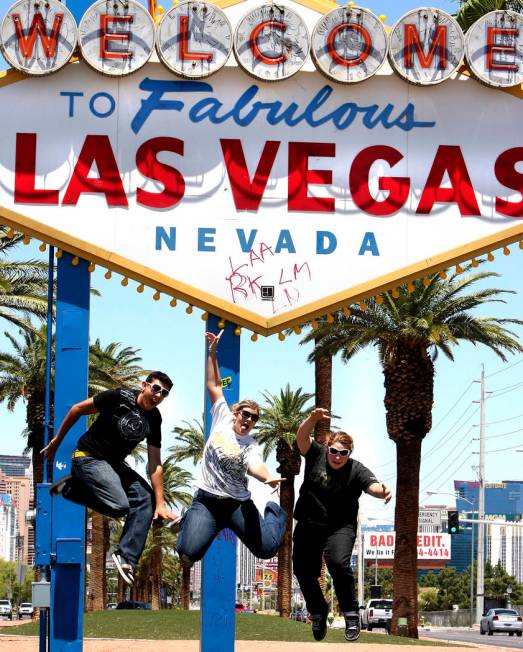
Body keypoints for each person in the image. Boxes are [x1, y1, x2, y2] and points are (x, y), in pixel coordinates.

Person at [41, 372, 178, 586]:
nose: (158, 396)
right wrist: (57, 441)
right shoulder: (119, 397)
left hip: (113, 464)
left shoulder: (154, 418)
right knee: (120, 506)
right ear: (144, 386)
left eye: (164, 394)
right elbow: (77, 409)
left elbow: (155, 464)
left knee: (145, 499)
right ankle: (71, 488)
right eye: (156, 389)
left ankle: (127, 560)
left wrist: (160, 504)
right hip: (88, 458)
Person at [176, 331, 287, 566]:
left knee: (267, 550)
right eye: (245, 414)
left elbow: (254, 465)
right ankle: (189, 520)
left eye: (254, 418)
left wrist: (268, 479)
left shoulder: (251, 444)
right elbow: (213, 384)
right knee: (187, 555)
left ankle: (274, 510)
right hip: (207, 501)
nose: (248, 420)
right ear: (237, 413)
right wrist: (212, 351)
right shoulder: (222, 417)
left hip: (238, 504)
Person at [293, 408, 392, 642]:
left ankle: (350, 614)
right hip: (309, 524)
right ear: (328, 447)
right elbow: (300, 438)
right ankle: (318, 610)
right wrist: (313, 419)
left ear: (350, 453)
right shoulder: (316, 454)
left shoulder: (356, 470)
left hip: (339, 527)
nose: (337, 457)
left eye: (343, 453)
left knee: (338, 564)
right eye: (334, 451)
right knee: (303, 571)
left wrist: (383, 491)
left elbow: (372, 486)